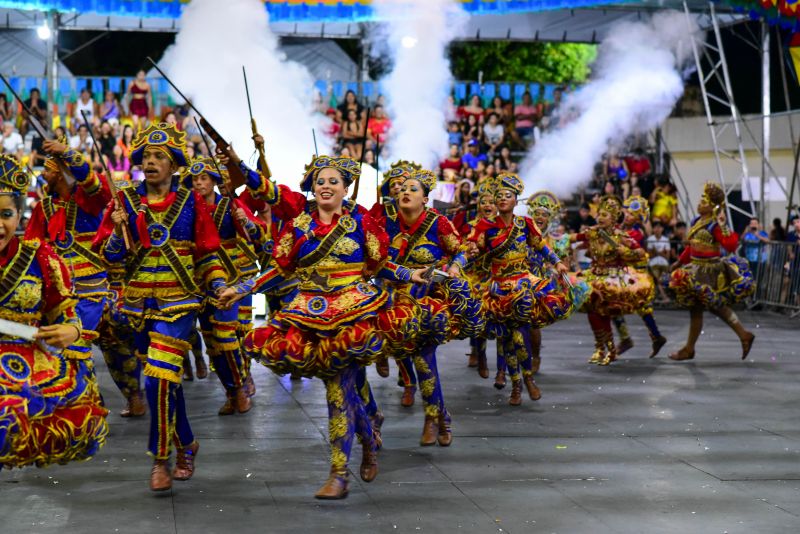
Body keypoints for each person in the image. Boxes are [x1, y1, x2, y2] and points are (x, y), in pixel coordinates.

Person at [218, 154, 427, 499]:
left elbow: (380, 265)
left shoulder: (361, 221)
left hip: (353, 313)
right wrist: (241, 289)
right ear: (312, 189)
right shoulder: (298, 225)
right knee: (344, 387)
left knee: (338, 387)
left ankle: (339, 472)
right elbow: (279, 271)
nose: (326, 186)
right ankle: (370, 440)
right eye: (320, 181)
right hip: (309, 314)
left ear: (346, 188)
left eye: (333, 181)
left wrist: (410, 274)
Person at [96, 122, 228, 492]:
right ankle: (187, 442)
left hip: (180, 302)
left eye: (160, 157)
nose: (151, 162)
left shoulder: (191, 202)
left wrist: (218, 284)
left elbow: (207, 253)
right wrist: (119, 232)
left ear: (174, 165)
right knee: (165, 380)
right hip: (137, 304)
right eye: (146, 157)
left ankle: (161, 458)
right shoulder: (124, 202)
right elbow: (109, 256)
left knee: (155, 378)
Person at [0, 154, 108, 468]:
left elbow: (66, 315)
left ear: (20, 214)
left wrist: (71, 331)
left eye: (6, 213)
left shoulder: (42, 259)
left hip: (30, 369)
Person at [24, 138, 145, 418]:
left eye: (49, 169)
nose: (43, 174)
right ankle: (90, 401)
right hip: (61, 290)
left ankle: (131, 396)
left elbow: (94, 182)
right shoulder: (44, 207)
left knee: (114, 349)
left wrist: (67, 152)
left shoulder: (90, 201)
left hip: (95, 289)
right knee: (68, 347)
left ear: (63, 173)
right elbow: (32, 245)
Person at [376, 168, 481, 446]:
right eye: (402, 188)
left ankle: (433, 417)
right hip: (392, 299)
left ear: (425, 198)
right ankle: (440, 415)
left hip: (426, 301)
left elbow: (459, 251)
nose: (405, 192)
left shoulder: (437, 222)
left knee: (423, 359)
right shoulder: (387, 223)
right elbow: (375, 260)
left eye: (413, 189)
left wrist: (456, 267)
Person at [468, 173, 575, 404]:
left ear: (516, 201)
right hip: (498, 288)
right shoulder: (485, 227)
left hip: (524, 285)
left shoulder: (525, 224)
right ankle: (520, 382)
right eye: (499, 196)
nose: (503, 199)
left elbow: (542, 247)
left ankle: (523, 381)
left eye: (508, 195)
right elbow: (473, 251)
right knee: (508, 337)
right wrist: (463, 260)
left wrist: (557, 262)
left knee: (518, 333)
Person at [182, 158, 262, 415]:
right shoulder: (188, 209)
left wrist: (244, 220)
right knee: (212, 340)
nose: (199, 183)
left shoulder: (229, 205)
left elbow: (256, 234)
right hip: (203, 278)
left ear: (214, 181)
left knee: (234, 335)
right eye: (195, 180)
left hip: (235, 276)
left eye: (204, 178)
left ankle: (242, 381)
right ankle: (232, 389)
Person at [667, 183, 756, 361]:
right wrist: (679, 262)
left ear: (713, 206)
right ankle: (691, 348)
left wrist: (723, 226)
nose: (699, 203)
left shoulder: (715, 225)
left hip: (710, 272)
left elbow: (730, 246)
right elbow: (691, 247)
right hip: (695, 269)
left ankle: (742, 335)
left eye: (703, 201)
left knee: (714, 306)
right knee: (699, 308)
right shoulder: (696, 222)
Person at [572, 196, 654, 365]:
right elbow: (572, 238)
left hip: (612, 280)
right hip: (593, 277)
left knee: (604, 313)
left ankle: (611, 349)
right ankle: (600, 348)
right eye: (599, 214)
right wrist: (552, 237)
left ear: (613, 219)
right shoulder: (592, 232)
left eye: (605, 215)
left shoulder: (619, 235)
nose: (600, 218)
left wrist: (623, 251)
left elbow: (640, 253)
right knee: (592, 313)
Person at [526, 191, 589, 375]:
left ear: (550, 218)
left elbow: (571, 241)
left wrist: (588, 234)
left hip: (541, 285)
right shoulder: (522, 235)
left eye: (544, 214)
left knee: (533, 323)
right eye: (536, 213)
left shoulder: (554, 240)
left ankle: (535, 356)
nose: (539, 217)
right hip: (520, 280)